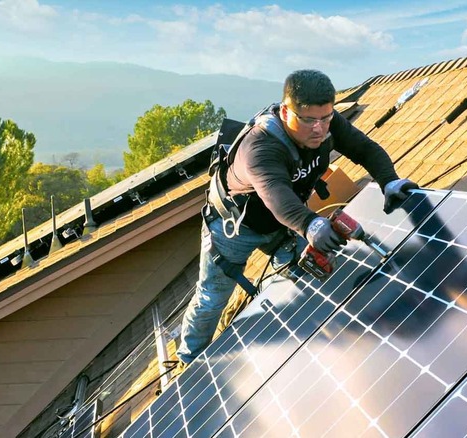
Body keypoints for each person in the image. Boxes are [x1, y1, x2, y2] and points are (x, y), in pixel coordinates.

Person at [176, 69, 418, 367]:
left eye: (325, 118)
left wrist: (389, 181)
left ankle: (297, 354)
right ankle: (188, 361)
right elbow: (277, 196)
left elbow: (365, 149)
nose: (318, 129)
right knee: (212, 297)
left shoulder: (327, 123)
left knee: (299, 281)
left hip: (283, 224)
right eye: (308, 120)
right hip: (235, 227)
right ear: (286, 110)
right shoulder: (261, 146)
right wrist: (310, 224)